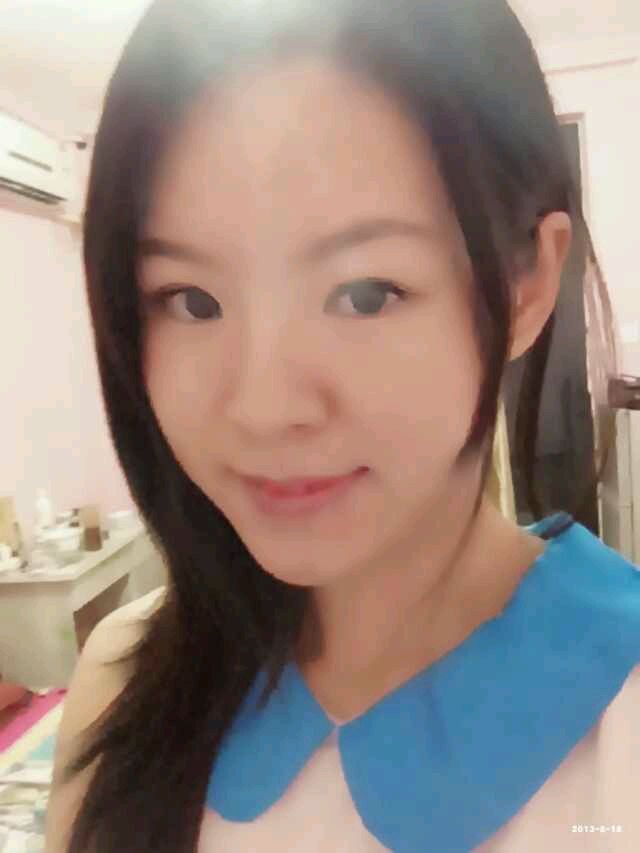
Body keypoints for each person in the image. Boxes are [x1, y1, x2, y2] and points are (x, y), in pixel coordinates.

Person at [45, 1, 639, 851]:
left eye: (363, 293)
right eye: (192, 300)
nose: (262, 407)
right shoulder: (122, 676)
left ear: (526, 285)